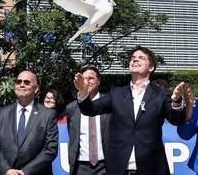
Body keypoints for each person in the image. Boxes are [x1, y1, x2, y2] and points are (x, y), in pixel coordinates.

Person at [74, 45, 186, 175]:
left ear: (151, 67)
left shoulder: (162, 94)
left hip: (152, 167)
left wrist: (177, 101)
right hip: (119, 168)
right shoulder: (116, 93)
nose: (135, 60)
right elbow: (90, 110)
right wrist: (83, 93)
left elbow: (176, 120)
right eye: (133, 58)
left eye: (141, 58)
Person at [0, 70, 59, 175]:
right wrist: (6, 170)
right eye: (18, 82)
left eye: (26, 82)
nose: (22, 85)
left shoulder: (48, 115)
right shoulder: (1, 113)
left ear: (36, 89)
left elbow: (50, 149)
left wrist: (25, 172)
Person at [66, 65, 111, 175]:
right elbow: (72, 135)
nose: (87, 82)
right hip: (80, 167)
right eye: (84, 79)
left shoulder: (110, 104)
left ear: (98, 81)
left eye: (90, 78)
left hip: (106, 166)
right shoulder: (71, 108)